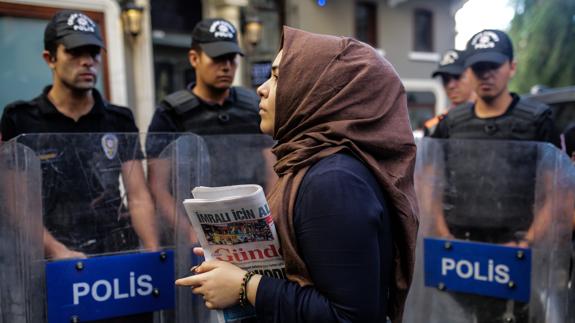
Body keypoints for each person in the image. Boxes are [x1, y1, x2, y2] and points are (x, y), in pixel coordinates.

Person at [175, 26, 419, 322]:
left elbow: (351, 317)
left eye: (278, 77)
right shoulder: (313, 163)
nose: (262, 88)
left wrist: (245, 286)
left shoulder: (333, 181)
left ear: (317, 92)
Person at [0, 10, 158, 322]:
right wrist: (57, 251)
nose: (87, 61)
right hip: (49, 263)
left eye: (93, 52)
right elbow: (18, 205)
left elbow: (138, 195)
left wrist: (152, 253)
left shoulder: (118, 118)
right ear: (50, 58)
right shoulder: (20, 119)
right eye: (75, 52)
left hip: (113, 260)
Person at [429, 29, 559, 323]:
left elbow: (557, 192)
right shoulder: (451, 123)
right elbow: (430, 184)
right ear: (469, 72)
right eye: (478, 68)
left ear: (512, 67)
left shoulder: (537, 119)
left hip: (516, 246)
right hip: (460, 245)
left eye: (494, 66)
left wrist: (528, 241)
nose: (486, 75)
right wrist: (442, 233)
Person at [146, 18, 268, 242]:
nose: (226, 66)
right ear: (194, 58)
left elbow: (274, 169)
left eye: (231, 58)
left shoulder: (254, 106)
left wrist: (270, 221)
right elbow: (158, 188)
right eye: (217, 58)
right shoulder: (170, 113)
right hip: (193, 232)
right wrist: (190, 232)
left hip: (252, 225)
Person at [424, 49, 475, 136]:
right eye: (445, 79)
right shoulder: (433, 126)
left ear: (473, 75)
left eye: (457, 76)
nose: (450, 85)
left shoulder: (495, 116)